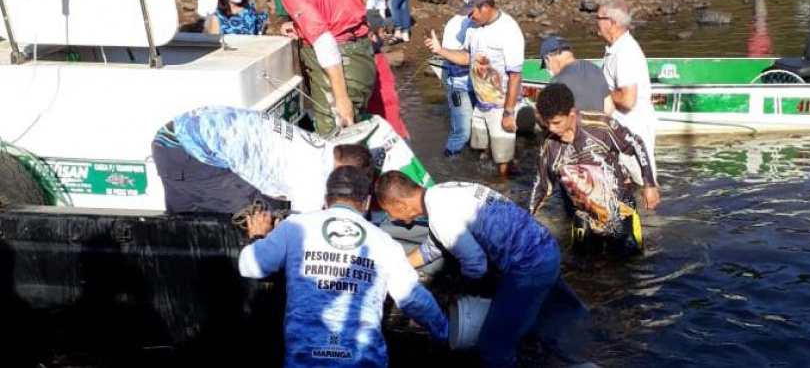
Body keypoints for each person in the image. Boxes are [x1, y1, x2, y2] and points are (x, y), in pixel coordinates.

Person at [238, 166, 448, 368]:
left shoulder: (294, 226)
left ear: (325, 201)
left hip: (304, 361)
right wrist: (446, 334)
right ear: (366, 203)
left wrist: (259, 235)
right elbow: (414, 299)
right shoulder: (385, 242)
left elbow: (249, 267)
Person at [376, 172, 588, 368]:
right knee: (565, 316)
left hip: (528, 267)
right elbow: (434, 246)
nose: (393, 219)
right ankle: (593, 348)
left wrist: (459, 293)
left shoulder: (440, 216)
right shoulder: (442, 192)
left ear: (400, 204)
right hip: (544, 247)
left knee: (492, 350)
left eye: (389, 212)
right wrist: (394, 265)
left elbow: (476, 265)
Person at [150, 106, 433, 214]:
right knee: (252, 216)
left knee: (266, 204)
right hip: (184, 149)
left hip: (199, 130)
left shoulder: (323, 146)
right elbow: (305, 235)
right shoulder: (311, 177)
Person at [264, 0, 376, 135]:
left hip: (340, 65)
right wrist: (301, 26)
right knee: (354, 136)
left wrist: (341, 98)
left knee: (335, 145)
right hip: (362, 55)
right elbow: (341, 8)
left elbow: (325, 42)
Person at [532, 83, 659, 250]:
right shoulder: (550, 147)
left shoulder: (601, 126)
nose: (552, 129)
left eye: (556, 122)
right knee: (583, 270)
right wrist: (526, 221)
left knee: (629, 269)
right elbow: (542, 187)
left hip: (621, 210)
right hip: (584, 217)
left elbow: (636, 144)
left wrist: (649, 184)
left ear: (572, 113)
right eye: (548, 123)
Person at [425, 0, 524, 176]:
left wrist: (508, 112)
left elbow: (516, 75)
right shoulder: (473, 27)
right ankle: (484, 179)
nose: (469, 17)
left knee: (503, 158)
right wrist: (440, 51)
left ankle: (504, 188)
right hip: (482, 102)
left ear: (485, 7)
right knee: (482, 148)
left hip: (501, 104)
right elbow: (467, 57)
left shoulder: (509, 30)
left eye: (472, 12)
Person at [597, 0, 658, 174]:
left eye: (599, 18)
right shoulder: (615, 49)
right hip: (620, 132)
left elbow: (627, 99)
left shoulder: (625, 53)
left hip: (633, 131)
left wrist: (597, 91)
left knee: (643, 187)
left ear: (612, 23)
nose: (596, 22)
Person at [439, 0, 488, 156]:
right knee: (462, 132)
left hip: (480, 84)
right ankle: (449, 165)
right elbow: (452, 57)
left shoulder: (489, 24)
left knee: (481, 129)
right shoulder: (456, 24)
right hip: (459, 84)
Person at [365, 11, 410, 140]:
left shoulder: (378, 56)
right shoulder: (371, 60)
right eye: (383, 31)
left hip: (394, 128)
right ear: (372, 35)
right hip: (386, 132)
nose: (385, 34)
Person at [539, 35, 611, 114]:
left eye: (545, 64)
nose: (548, 69)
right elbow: (609, 108)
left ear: (548, 58)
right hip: (599, 124)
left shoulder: (557, 82)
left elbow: (555, 117)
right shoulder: (594, 68)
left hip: (575, 125)